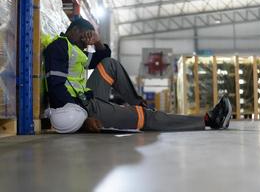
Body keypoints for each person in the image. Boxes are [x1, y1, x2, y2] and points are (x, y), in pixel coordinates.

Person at [43, 18, 232, 133]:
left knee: (110, 64)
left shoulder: (76, 50)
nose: (87, 44)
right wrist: (82, 121)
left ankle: (135, 101)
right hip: (81, 109)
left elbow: (103, 57)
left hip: (86, 99)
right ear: (76, 31)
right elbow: (56, 88)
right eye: (85, 37)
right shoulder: (59, 47)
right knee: (147, 117)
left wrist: (98, 41)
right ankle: (208, 120)